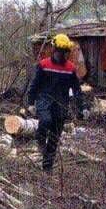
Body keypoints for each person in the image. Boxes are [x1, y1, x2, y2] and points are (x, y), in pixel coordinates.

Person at [27, 34, 88, 172]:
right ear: (54, 49)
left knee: (54, 137)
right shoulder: (44, 65)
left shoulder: (70, 68)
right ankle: (40, 139)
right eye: (60, 51)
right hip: (44, 101)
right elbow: (34, 84)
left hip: (61, 104)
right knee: (46, 121)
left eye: (65, 51)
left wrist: (82, 107)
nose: (62, 54)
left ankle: (47, 168)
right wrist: (31, 102)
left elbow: (77, 90)